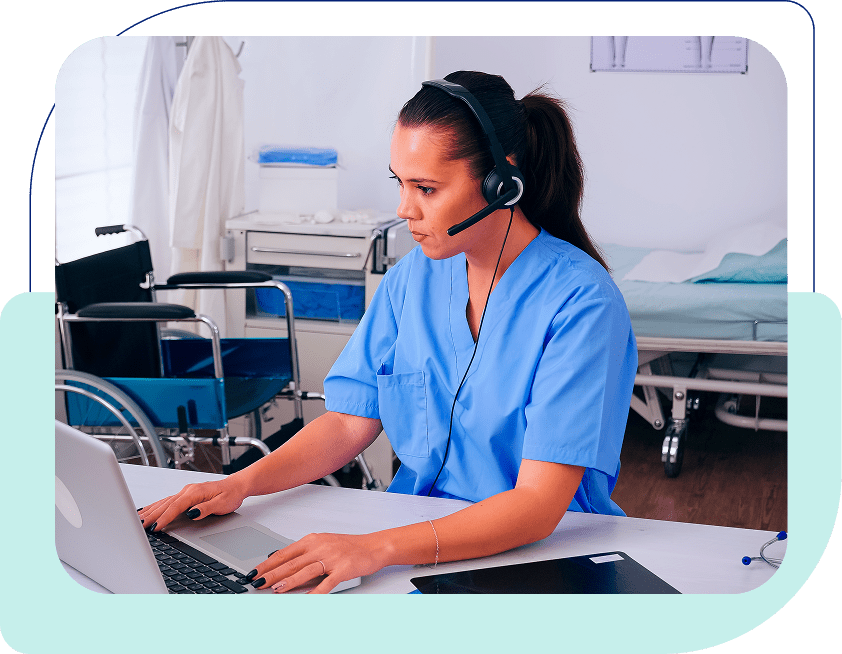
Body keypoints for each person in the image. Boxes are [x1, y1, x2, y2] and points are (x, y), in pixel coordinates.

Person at [138, 71, 638, 594]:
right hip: (413, 540)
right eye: (399, 182)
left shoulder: (581, 302)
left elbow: (536, 506)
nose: (404, 209)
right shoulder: (414, 278)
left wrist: (375, 548)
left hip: (539, 554)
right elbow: (351, 422)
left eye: (427, 188)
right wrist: (239, 485)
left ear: (501, 181)